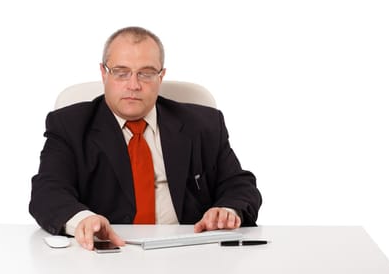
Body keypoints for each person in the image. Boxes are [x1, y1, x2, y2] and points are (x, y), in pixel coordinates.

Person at [29, 26, 262, 250]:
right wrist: (83, 220)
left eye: (146, 73)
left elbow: (239, 184)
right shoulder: (70, 125)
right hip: (108, 253)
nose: (134, 85)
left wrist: (228, 210)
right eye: (121, 73)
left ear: (161, 76)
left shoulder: (203, 124)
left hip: (190, 252)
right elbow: (47, 191)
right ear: (103, 73)